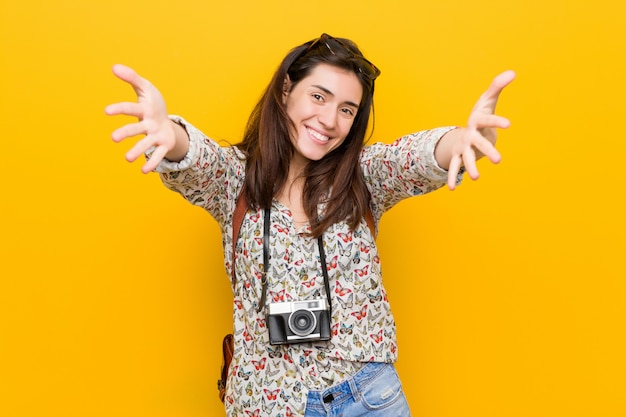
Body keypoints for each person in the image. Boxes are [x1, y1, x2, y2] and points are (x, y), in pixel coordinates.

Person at [105, 33, 515, 417]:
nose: (330, 119)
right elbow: (195, 157)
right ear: (286, 90)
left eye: (347, 109)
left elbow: (417, 156)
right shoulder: (233, 180)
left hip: (368, 397)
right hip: (266, 401)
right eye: (318, 96)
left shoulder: (364, 177)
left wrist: (462, 140)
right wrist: (169, 133)